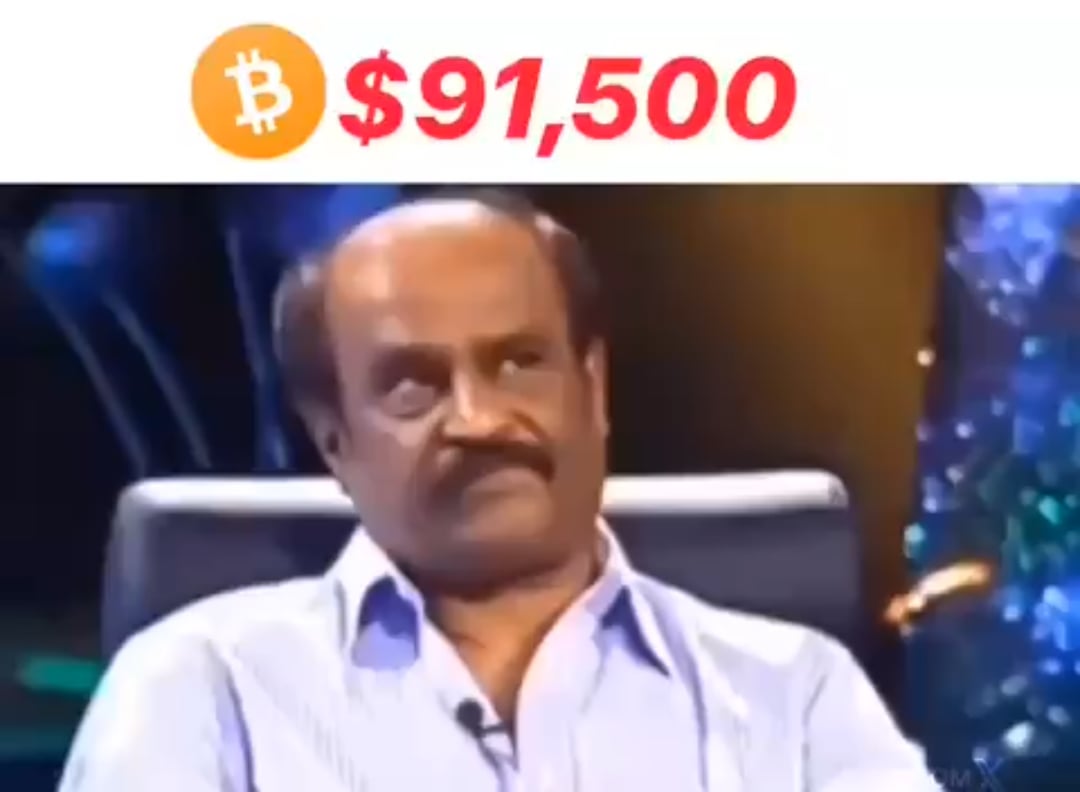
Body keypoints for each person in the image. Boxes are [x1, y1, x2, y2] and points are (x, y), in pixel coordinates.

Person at [59, 189, 940, 791]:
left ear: (593, 389)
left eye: (519, 363)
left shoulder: (796, 695)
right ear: (334, 439)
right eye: (413, 385)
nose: (478, 419)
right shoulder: (199, 685)